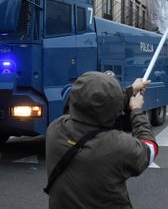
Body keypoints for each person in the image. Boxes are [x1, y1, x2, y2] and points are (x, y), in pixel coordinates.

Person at [45, 71, 157, 209]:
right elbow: (149, 148)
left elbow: (82, 105)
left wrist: (129, 92)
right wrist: (136, 111)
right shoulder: (117, 145)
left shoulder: (55, 129)